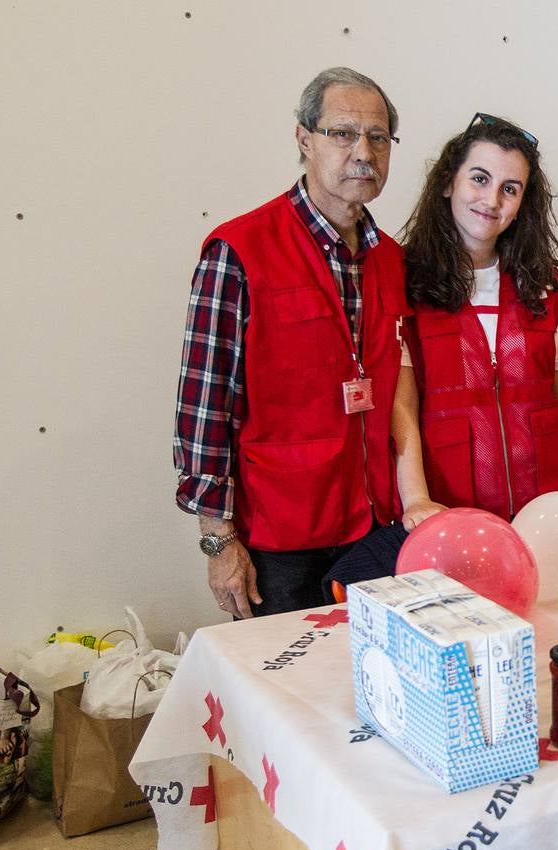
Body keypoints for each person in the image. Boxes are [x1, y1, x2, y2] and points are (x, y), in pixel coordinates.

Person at [172, 67, 409, 619]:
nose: (363, 152)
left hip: (373, 531)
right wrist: (218, 540)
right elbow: (204, 405)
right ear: (304, 139)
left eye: (378, 137)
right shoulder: (239, 251)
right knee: (288, 692)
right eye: (343, 133)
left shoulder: (391, 261)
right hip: (277, 544)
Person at [392, 113, 558, 522]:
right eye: (479, 178)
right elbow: (403, 403)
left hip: (550, 506)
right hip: (451, 506)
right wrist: (415, 499)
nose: (491, 201)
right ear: (447, 183)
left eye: (510, 189)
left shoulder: (543, 284)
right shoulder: (406, 284)